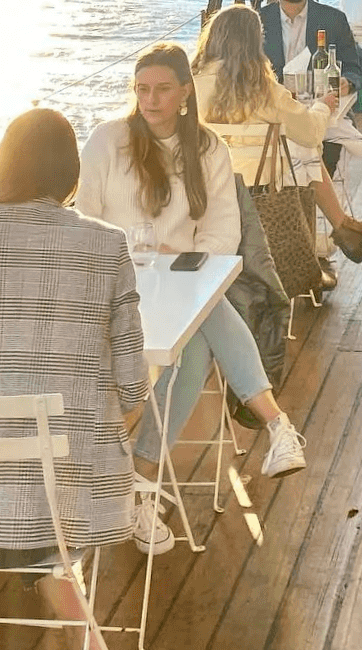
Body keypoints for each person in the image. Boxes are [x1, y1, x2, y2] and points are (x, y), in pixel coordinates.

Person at [76, 45, 307, 556]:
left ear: (185, 93)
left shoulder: (206, 149)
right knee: (205, 319)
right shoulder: (107, 141)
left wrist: (175, 255)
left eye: (161, 89)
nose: (150, 99)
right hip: (117, 288)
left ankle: (142, 481)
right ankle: (275, 424)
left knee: (197, 335)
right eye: (142, 89)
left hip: (177, 280)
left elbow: (223, 233)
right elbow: (87, 221)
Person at [0, 108, 147, 630]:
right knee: (87, 437)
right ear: (71, 173)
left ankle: (36, 565)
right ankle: (50, 569)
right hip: (66, 496)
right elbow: (133, 384)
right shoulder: (106, 244)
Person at [193, 4, 362, 261]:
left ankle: (343, 231)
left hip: (209, 178)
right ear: (253, 42)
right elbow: (310, 132)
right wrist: (322, 105)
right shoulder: (259, 87)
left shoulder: (191, 81)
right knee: (307, 152)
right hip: (264, 182)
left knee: (304, 153)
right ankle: (335, 235)